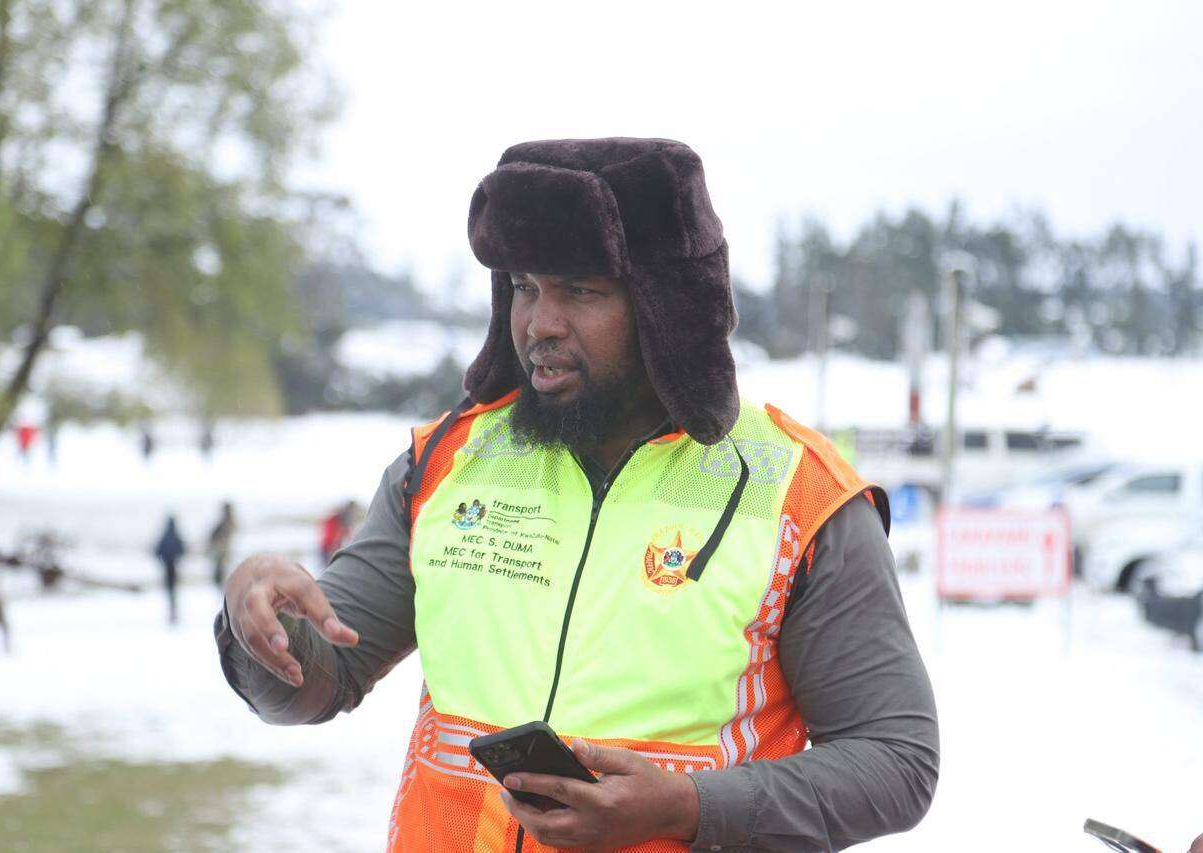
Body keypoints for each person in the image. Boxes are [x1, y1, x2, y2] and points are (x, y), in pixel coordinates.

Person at [214, 138, 939, 851]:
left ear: (667, 306)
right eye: (525, 287)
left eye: (581, 291)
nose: (539, 323)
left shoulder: (799, 495)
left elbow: (895, 760)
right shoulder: (444, 463)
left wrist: (689, 807)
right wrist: (259, 627)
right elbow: (318, 676)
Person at [154, 515, 186, 625]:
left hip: (170, 567)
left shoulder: (167, 536)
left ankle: (173, 614)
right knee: (172, 592)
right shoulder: (174, 536)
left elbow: (157, 551)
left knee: (171, 592)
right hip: (171, 567)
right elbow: (182, 550)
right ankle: (173, 614)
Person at [207, 501, 237, 588]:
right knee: (221, 577)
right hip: (224, 552)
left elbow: (215, 537)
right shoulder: (229, 522)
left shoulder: (226, 523)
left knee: (220, 576)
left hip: (221, 552)